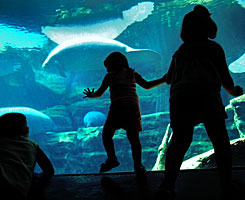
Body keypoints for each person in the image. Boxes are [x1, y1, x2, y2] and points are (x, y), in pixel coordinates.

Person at [154, 5, 243, 200]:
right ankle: (226, 186)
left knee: (179, 142)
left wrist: (150, 83)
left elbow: (169, 78)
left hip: (180, 98)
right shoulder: (214, 48)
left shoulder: (180, 51)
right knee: (220, 141)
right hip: (207, 97)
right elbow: (224, 77)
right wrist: (234, 91)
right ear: (209, 27)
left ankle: (167, 185)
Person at [83, 51, 166, 176]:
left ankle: (112, 159)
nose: (106, 70)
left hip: (117, 108)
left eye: (107, 67)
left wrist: (91, 95)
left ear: (112, 65)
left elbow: (99, 93)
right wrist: (163, 79)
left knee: (106, 135)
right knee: (134, 139)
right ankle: (138, 165)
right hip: (132, 108)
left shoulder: (110, 76)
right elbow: (147, 85)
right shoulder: (131, 73)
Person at [0, 113, 54, 200]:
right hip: (19, 192)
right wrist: (37, 188)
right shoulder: (32, 145)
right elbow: (49, 171)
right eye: (26, 125)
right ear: (24, 129)